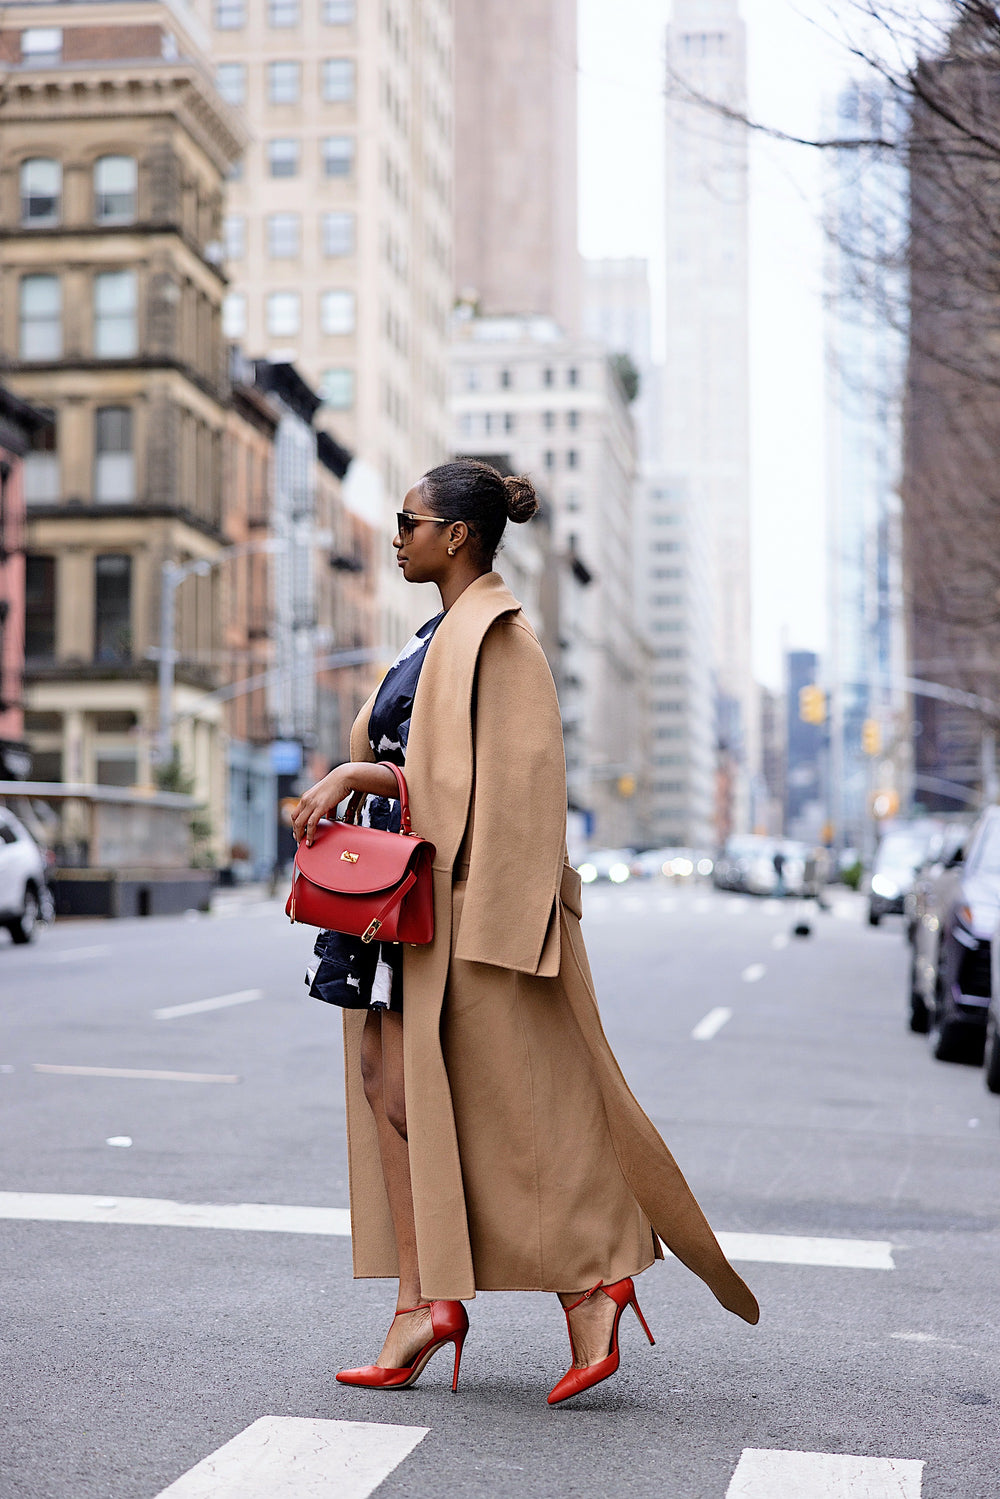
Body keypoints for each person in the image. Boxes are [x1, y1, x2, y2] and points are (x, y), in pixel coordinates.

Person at [291, 459, 759, 1406]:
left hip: (462, 911)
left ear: (455, 536)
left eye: (409, 520)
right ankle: (427, 1302)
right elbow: (424, 763)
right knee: (388, 1084)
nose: (397, 534)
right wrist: (353, 785)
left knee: (507, 1103)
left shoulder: (501, 639)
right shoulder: (434, 638)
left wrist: (359, 784)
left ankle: (587, 1282)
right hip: (396, 902)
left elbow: (501, 790)